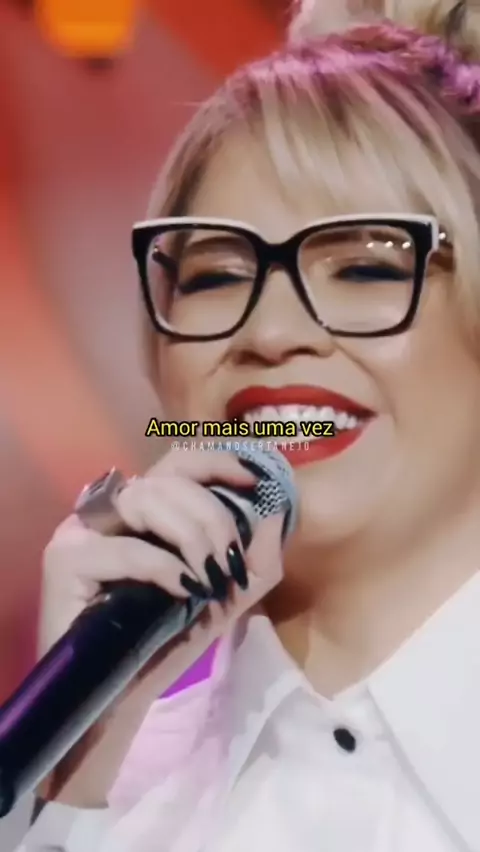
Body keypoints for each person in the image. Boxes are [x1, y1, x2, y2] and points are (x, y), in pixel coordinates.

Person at [16, 0, 480, 849]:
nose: (268, 332)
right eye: (216, 277)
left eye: (365, 267)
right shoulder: (87, 812)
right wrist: (71, 766)